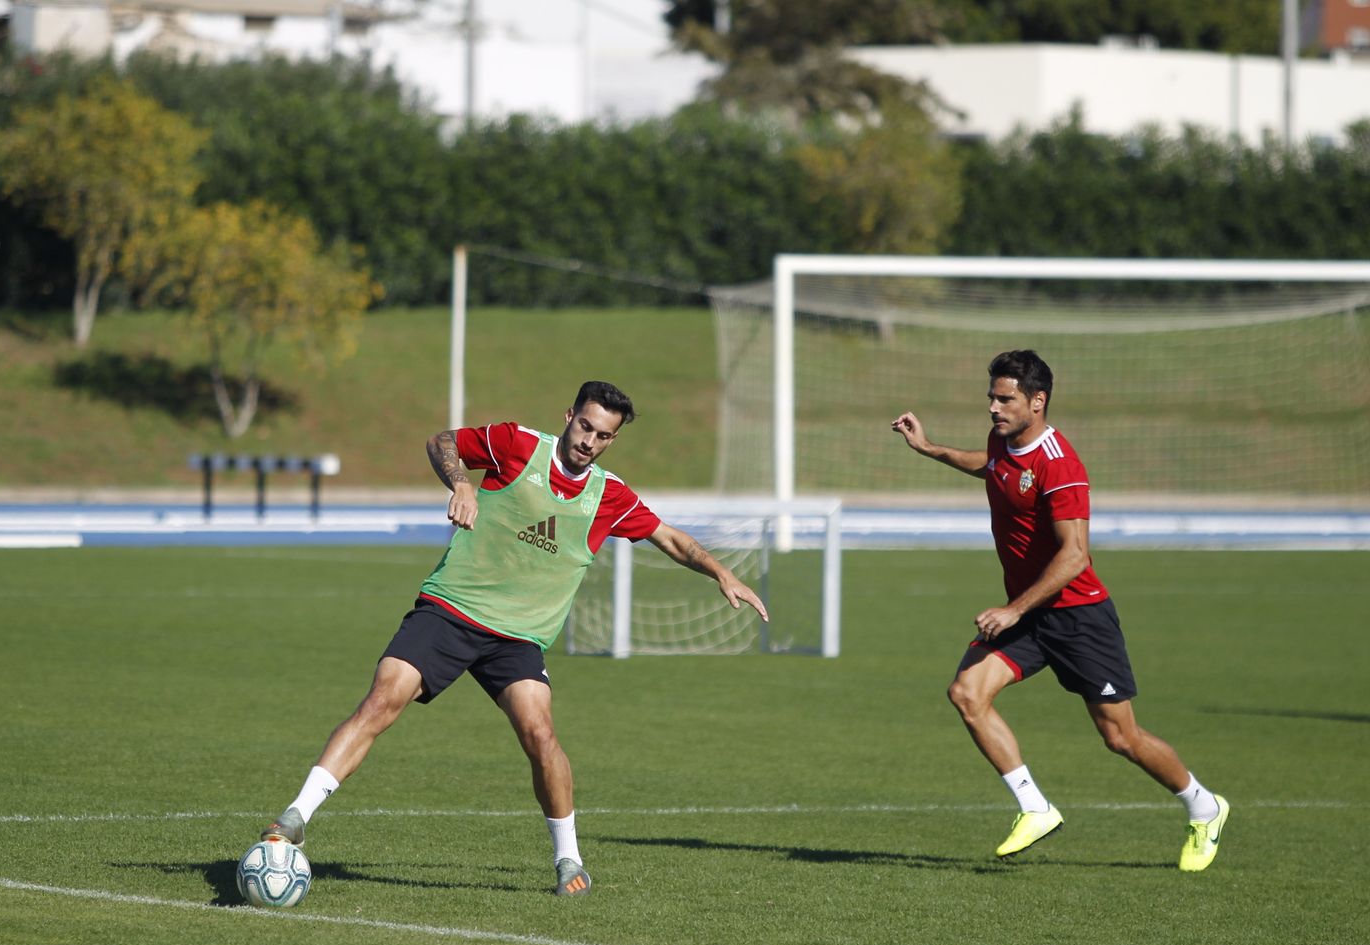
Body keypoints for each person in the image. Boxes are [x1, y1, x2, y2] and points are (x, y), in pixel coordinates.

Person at [259, 380, 768, 895]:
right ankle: (295, 817)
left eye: (603, 436)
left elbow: (671, 539)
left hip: (518, 639)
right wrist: (460, 483)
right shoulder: (518, 445)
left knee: (541, 735)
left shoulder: (608, 496)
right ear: (569, 415)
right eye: (585, 426)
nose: (589, 440)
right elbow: (443, 442)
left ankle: (569, 861)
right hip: (451, 611)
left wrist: (721, 572)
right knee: (382, 701)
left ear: (612, 441)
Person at [890, 350, 1229, 871]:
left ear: (1037, 401)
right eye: (991, 398)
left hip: (1078, 617)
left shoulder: (1061, 465)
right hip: (1029, 615)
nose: (993, 409)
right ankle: (1034, 806)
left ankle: (1204, 807)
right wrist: (929, 448)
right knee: (966, 693)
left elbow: (1075, 557)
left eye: (1005, 399)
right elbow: (991, 467)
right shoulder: (1002, 441)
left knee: (1121, 737)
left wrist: (1012, 609)